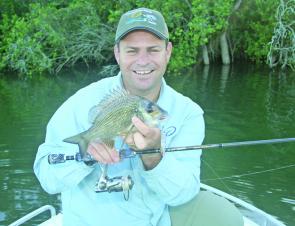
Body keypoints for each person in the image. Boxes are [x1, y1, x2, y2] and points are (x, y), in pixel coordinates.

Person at [34, 8, 205, 226]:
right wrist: (85, 156)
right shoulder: (81, 103)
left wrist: (152, 156)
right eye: (132, 51)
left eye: (153, 50)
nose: (143, 61)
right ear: (117, 53)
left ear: (168, 51)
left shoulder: (187, 113)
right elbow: (47, 178)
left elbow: (184, 194)